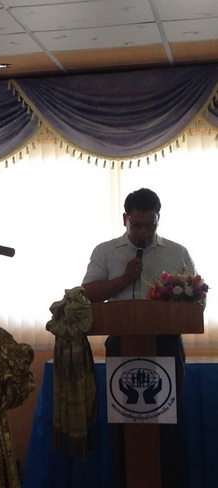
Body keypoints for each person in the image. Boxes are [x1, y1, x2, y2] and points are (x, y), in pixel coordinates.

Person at [82, 187, 195, 488]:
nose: (144, 231)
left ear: (158, 219)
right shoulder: (106, 251)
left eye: (150, 224)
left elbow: (196, 299)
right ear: (125, 219)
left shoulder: (177, 252)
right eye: (137, 224)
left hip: (166, 345)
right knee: (125, 420)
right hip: (123, 344)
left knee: (169, 422)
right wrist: (124, 279)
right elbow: (87, 294)